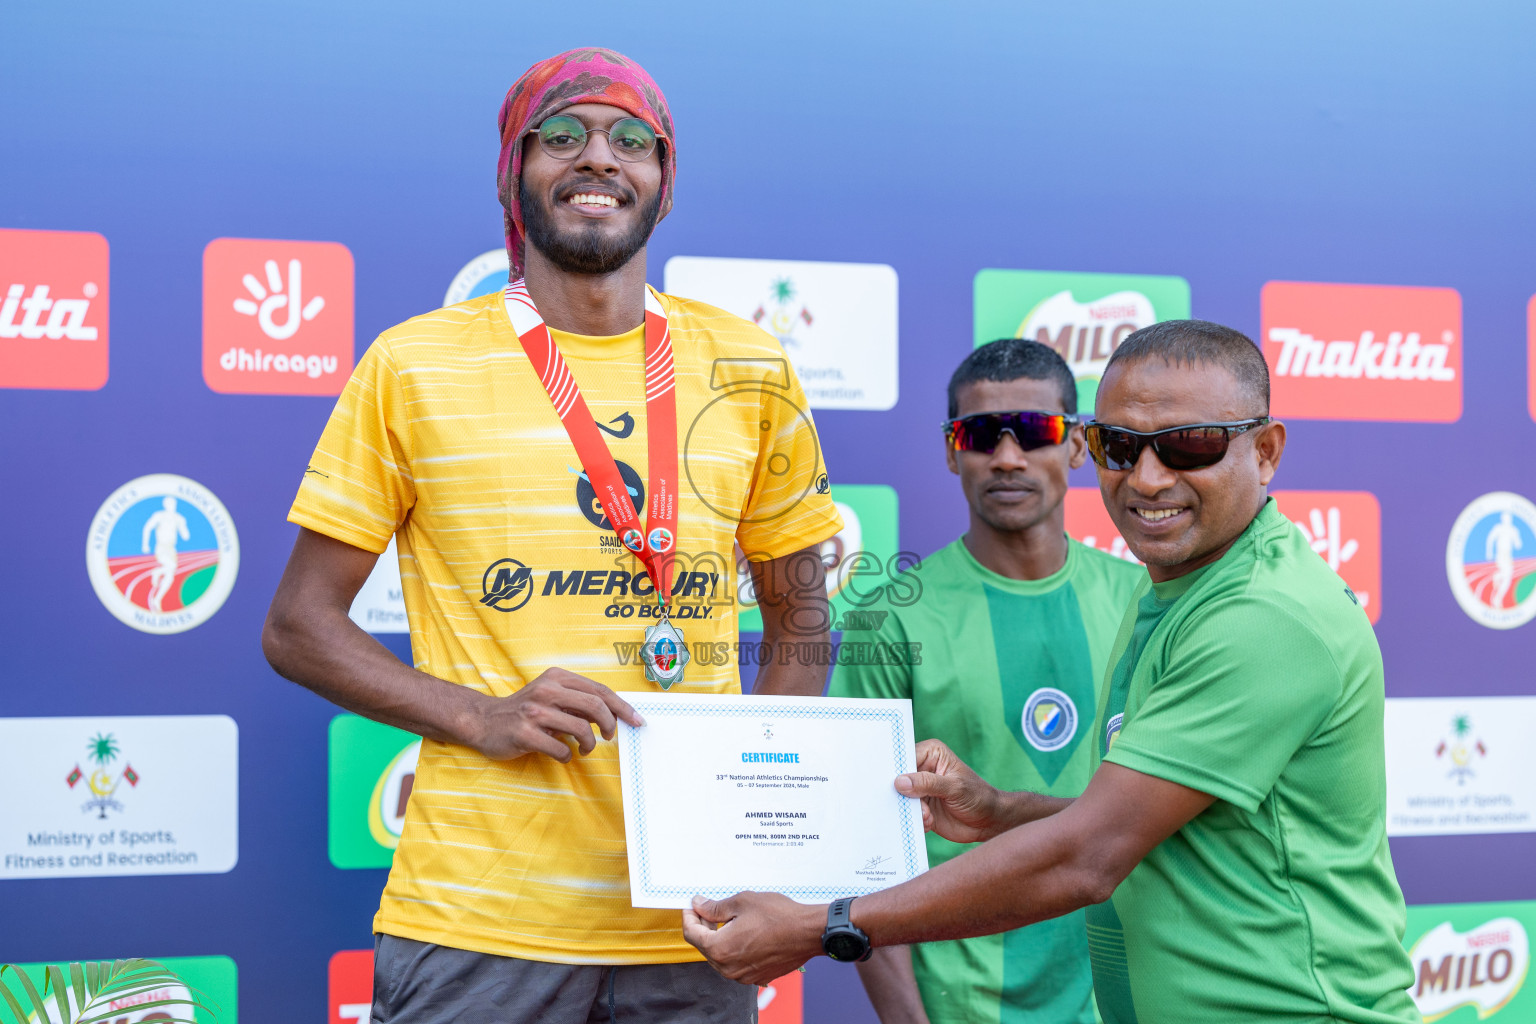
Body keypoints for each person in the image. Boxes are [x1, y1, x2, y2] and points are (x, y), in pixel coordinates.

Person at [262, 47, 842, 1024]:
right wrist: (476, 714)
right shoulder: (415, 364)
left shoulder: (749, 362)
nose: (599, 158)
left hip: (688, 920)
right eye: (561, 135)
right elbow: (297, 627)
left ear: (666, 183)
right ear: (511, 173)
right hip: (476, 917)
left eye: (633, 140)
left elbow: (801, 610)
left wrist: (757, 820)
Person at [683, 320, 1421, 1024]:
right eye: (1121, 446)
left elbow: (1090, 856)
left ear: (1265, 452)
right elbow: (1149, 823)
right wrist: (1002, 811)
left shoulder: (1264, 615)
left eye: (1190, 446)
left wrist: (819, 926)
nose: (1150, 477)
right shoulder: (1174, 589)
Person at [827, 338, 1142, 1024]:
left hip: (1132, 995)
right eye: (979, 436)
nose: (1007, 457)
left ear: (1078, 446)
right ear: (950, 450)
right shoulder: (889, 617)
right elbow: (858, 853)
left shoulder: (1144, 602)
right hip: (960, 1004)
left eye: (1034, 432)